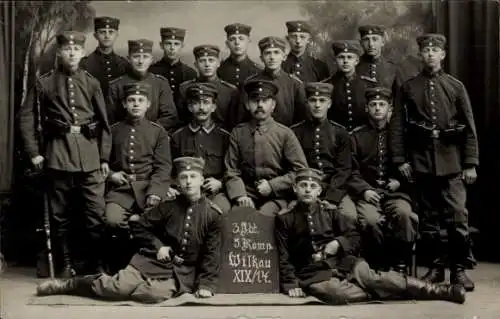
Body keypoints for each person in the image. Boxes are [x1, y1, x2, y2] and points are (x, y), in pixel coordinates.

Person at [36, 157, 223, 303]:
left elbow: (212, 254)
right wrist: (158, 246)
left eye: (193, 177)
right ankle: (70, 285)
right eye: (184, 177)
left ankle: (135, 286)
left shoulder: (213, 214)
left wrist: (206, 285)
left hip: (183, 272)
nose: (189, 182)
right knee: (116, 289)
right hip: (152, 262)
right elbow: (140, 225)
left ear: (202, 180)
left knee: (150, 295)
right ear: (177, 182)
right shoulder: (168, 207)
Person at [275, 168, 466, 305]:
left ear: (319, 191)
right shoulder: (285, 219)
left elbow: (354, 236)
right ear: (295, 189)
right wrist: (291, 284)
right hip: (313, 274)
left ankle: (441, 291)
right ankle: (386, 294)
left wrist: (338, 243)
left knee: (376, 278)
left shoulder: (330, 213)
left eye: (312, 186)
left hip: (343, 263)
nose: (307, 189)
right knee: (333, 294)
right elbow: (283, 256)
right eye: (303, 185)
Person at [390, 33, 479, 291]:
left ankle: (459, 270)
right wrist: (400, 159)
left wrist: (470, 163)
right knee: (429, 220)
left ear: (443, 55)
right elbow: (397, 126)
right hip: (421, 162)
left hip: (452, 162)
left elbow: (469, 127)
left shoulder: (455, 86)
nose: (430, 54)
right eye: (425, 50)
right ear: (421, 54)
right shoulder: (408, 87)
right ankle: (437, 268)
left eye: (434, 50)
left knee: (458, 216)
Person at [18, 31, 110, 277]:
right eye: (67, 49)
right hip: (57, 154)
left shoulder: (91, 82)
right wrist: (34, 153)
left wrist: (103, 157)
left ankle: (97, 264)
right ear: (59, 52)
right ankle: (67, 264)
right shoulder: (45, 82)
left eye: (76, 50)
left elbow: (104, 124)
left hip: (89, 157)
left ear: (82, 53)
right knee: (60, 216)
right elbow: (27, 117)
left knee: (95, 214)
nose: (71, 53)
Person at [104, 82, 172, 272]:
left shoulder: (157, 132)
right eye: (131, 100)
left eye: (140, 100)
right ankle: (123, 263)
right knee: (112, 220)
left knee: (164, 219)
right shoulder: (113, 130)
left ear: (148, 104)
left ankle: (152, 263)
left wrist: (156, 192)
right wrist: (111, 175)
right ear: (124, 104)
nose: (135, 104)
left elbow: (163, 166)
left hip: (148, 188)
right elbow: (101, 163)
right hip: (121, 190)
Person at [349, 87, 418, 273]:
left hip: (395, 194)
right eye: (373, 105)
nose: (377, 108)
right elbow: (351, 170)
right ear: (366, 108)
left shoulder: (401, 136)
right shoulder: (356, 136)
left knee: (404, 214)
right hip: (368, 194)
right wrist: (364, 190)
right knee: (370, 221)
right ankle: (378, 264)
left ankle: (401, 264)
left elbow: (414, 166)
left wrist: (400, 182)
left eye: (382, 104)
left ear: (390, 108)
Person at [224, 79, 308, 216]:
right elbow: (231, 170)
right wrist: (240, 196)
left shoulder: (284, 133)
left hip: (276, 196)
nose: (260, 105)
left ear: (273, 105)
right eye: (255, 101)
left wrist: (272, 185)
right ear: (247, 104)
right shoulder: (238, 133)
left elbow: (300, 171)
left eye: (265, 101)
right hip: (246, 192)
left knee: (265, 218)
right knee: (238, 219)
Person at [291, 82, 357, 225]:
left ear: (329, 104)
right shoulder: (295, 132)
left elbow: (344, 169)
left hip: (334, 188)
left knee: (349, 216)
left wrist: (331, 198)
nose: (317, 105)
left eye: (322, 101)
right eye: (313, 101)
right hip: (305, 188)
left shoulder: (340, 132)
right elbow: (293, 166)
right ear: (307, 103)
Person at [170, 82, 231, 214]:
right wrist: (173, 186)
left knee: (221, 210)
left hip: (214, 192)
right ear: (190, 107)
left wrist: (221, 183)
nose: (202, 107)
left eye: (206, 102)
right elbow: (170, 170)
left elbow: (232, 169)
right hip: (185, 190)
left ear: (214, 107)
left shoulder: (224, 137)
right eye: (196, 103)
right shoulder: (178, 137)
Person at [106, 39, 179, 132]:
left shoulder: (160, 83)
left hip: (152, 136)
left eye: (145, 57)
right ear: (128, 59)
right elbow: (110, 118)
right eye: (136, 57)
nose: (141, 61)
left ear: (151, 60)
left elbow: (170, 116)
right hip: (124, 135)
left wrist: (148, 131)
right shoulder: (116, 85)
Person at [243, 36, 308, 127]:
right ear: (261, 58)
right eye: (268, 53)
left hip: (287, 136)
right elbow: (243, 117)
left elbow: (301, 120)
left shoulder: (295, 84)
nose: (272, 57)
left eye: (276, 52)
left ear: (284, 57)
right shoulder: (251, 83)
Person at [177, 45, 240, 130]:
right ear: (196, 64)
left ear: (218, 63)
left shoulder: (230, 91)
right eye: (202, 61)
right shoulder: (184, 89)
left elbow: (233, 123)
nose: (207, 64)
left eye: (211, 60)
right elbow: (181, 121)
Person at [323, 40, 375, 132]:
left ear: (356, 61)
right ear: (335, 60)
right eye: (341, 57)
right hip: (336, 135)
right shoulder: (327, 85)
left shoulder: (368, 85)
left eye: (349, 57)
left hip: (362, 135)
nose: (345, 61)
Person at [80, 16, 129, 98]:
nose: (107, 36)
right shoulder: (85, 64)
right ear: (95, 35)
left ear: (117, 35)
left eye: (111, 32)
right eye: (102, 32)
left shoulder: (124, 65)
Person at [148, 27, 197, 100]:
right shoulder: (151, 71)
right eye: (168, 43)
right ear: (161, 45)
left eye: (176, 44)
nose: (172, 48)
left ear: (182, 46)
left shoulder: (190, 73)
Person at [218, 23, 262, 88]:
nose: (237, 43)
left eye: (241, 39)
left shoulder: (258, 71)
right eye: (232, 39)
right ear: (227, 43)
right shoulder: (219, 70)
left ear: (248, 41)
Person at [356, 25, 398, 90]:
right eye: (366, 40)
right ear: (361, 43)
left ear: (383, 42)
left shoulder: (393, 69)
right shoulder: (353, 67)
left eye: (375, 39)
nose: (371, 44)